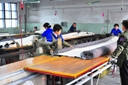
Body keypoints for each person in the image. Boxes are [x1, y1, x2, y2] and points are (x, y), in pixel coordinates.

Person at [111, 20, 128, 85]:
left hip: (125, 58)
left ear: (124, 26)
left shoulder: (123, 36)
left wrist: (112, 56)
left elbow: (120, 48)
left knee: (124, 76)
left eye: (122, 25)